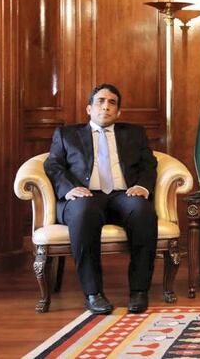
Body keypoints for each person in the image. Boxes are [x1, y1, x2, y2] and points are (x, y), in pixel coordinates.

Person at [44, 84, 158, 315]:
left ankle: (139, 291)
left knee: (143, 211)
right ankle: (93, 293)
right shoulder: (67, 134)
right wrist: (69, 189)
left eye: (112, 103)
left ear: (118, 112)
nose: (106, 106)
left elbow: (149, 164)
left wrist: (142, 186)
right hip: (85, 195)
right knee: (83, 211)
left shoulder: (135, 133)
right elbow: (53, 165)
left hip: (122, 195)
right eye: (100, 101)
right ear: (89, 108)